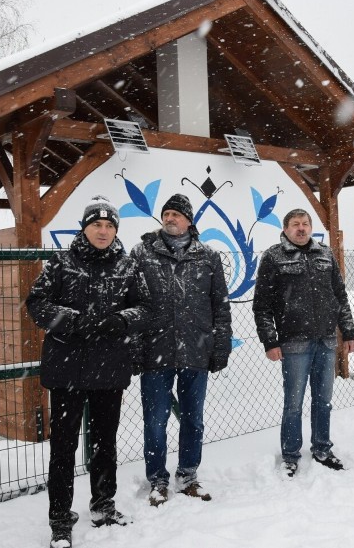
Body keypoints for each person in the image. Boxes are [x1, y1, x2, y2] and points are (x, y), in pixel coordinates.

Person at [26, 196, 150, 548]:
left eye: (110, 225)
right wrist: (73, 322)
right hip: (67, 369)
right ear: (85, 227)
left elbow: (145, 308)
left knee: (104, 444)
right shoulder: (62, 262)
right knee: (63, 448)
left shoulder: (127, 266)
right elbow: (36, 302)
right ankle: (60, 520)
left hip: (109, 370)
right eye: (97, 224)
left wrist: (119, 321)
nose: (103, 230)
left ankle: (103, 505)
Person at [130, 193, 232, 506]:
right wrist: (133, 347)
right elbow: (130, 303)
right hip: (155, 350)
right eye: (167, 213)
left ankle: (188, 476)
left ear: (189, 220)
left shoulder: (208, 256)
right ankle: (157, 480)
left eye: (177, 214)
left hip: (196, 350)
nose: (171, 218)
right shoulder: (142, 253)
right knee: (155, 420)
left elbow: (220, 305)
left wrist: (221, 345)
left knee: (193, 419)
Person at [252, 208, 354, 477]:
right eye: (296, 224)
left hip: (325, 339)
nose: (301, 228)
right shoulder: (274, 257)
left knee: (323, 400)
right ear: (286, 229)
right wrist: (270, 341)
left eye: (305, 224)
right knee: (294, 402)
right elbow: (261, 305)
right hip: (293, 342)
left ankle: (322, 448)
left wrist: (348, 331)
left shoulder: (325, 253)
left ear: (311, 227)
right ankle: (290, 454)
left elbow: (340, 296)